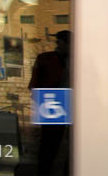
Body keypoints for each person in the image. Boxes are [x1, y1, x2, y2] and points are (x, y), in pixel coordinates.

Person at [29, 30, 71, 176]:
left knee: (75, 144)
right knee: (49, 144)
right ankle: (44, 171)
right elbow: (34, 84)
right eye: (57, 42)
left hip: (71, 102)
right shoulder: (45, 59)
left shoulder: (78, 61)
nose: (57, 45)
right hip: (53, 101)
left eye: (60, 42)